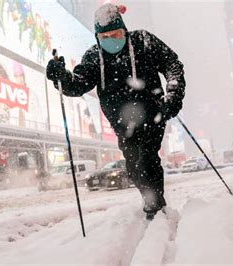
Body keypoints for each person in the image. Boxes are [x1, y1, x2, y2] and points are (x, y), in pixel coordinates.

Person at [46, 3, 185, 219]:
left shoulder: (144, 41)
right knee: (134, 168)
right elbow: (79, 83)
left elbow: (172, 64)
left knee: (147, 160)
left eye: (117, 33)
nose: (112, 40)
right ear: (97, 37)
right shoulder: (94, 57)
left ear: (125, 30)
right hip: (121, 122)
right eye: (105, 37)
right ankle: (151, 200)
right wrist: (62, 77)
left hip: (153, 114)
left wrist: (174, 93)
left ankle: (155, 207)